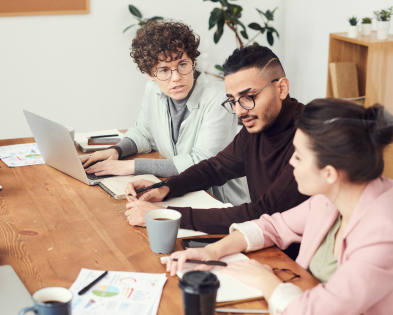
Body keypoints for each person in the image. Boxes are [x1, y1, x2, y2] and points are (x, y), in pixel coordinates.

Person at [164, 100, 393, 314]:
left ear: (329, 173)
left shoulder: (385, 236)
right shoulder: (336, 194)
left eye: (299, 156)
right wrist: (213, 252)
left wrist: (264, 279)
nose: (291, 161)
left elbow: (310, 311)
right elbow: (274, 225)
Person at [124, 45, 309, 236]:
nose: (239, 111)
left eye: (249, 97)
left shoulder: (309, 139)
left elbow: (263, 212)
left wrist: (166, 215)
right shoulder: (258, 126)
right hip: (263, 240)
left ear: (282, 88)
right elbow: (215, 168)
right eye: (233, 100)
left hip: (293, 257)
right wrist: (166, 188)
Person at [81, 21, 249, 206]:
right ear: (150, 74)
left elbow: (202, 162)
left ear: (193, 61)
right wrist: (116, 151)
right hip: (176, 190)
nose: (176, 77)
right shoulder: (153, 89)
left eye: (183, 64)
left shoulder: (217, 97)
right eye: (164, 70)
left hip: (216, 201)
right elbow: (143, 133)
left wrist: (131, 166)